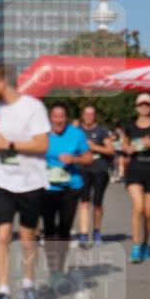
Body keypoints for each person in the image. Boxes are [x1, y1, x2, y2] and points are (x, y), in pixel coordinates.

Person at [0, 65, 50, 299]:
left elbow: (42, 145)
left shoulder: (33, 107)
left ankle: (27, 286)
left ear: (3, 81)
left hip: (30, 182)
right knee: (2, 236)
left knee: (26, 239)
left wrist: (10, 144)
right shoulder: (0, 109)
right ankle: (3, 292)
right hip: (3, 181)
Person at [43, 104, 92, 287]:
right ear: (50, 118)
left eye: (62, 116)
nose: (59, 120)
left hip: (71, 187)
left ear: (66, 117)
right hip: (48, 188)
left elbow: (88, 157)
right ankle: (52, 268)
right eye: (55, 116)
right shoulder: (43, 134)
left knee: (63, 230)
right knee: (49, 230)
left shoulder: (76, 133)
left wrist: (74, 159)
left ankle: (59, 269)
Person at [123, 93, 150, 263]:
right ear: (136, 107)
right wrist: (127, 149)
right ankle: (135, 245)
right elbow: (124, 144)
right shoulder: (130, 127)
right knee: (138, 207)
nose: (144, 107)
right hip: (135, 169)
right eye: (141, 105)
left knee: (148, 213)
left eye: (147, 105)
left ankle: (146, 244)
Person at [77, 104, 116, 247]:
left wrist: (94, 147)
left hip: (100, 170)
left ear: (95, 116)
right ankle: (83, 234)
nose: (89, 117)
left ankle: (97, 231)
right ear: (82, 115)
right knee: (84, 202)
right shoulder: (77, 131)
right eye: (86, 114)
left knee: (97, 203)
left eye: (91, 114)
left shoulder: (102, 131)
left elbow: (111, 150)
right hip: (83, 170)